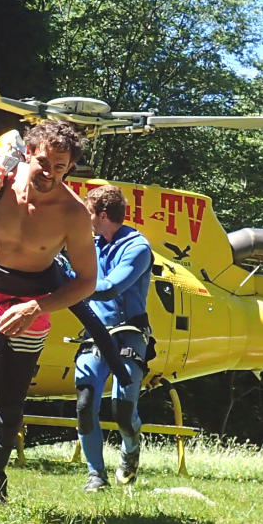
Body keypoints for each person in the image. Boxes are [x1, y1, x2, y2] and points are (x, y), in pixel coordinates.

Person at [0, 121, 97, 514]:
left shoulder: (74, 213)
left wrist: (37, 307)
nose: (49, 172)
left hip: (32, 305)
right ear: (27, 153)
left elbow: (86, 282)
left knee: (12, 398)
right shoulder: (0, 184)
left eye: (60, 166)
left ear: (70, 167)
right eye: (43, 162)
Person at [75, 185, 153, 490]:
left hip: (129, 334)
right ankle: (96, 475)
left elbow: (109, 287)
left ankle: (130, 451)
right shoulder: (90, 242)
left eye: (87, 214)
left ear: (102, 215)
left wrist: (70, 283)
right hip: (95, 333)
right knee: (85, 403)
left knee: (122, 411)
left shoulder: (138, 247)